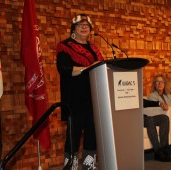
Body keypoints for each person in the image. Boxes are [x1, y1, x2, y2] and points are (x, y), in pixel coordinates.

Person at [56, 14, 104, 170]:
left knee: (92, 135)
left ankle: (88, 166)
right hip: (74, 100)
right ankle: (71, 166)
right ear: (73, 29)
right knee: (73, 136)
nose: (84, 28)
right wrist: (88, 68)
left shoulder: (94, 49)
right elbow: (64, 69)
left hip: (93, 99)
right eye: (80, 25)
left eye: (87, 26)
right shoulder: (65, 46)